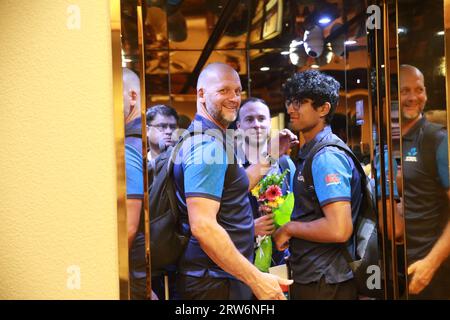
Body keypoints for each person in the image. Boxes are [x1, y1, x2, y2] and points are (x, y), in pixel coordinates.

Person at [173, 62, 297, 300]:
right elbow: (203, 226)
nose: (233, 98)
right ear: (201, 94)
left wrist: (271, 154)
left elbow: (234, 187)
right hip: (214, 283)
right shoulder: (206, 146)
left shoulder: (212, 137)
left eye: (237, 91)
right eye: (223, 91)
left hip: (221, 278)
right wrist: (256, 279)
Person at [273, 70, 362, 300]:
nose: (291, 109)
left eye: (301, 102)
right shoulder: (311, 151)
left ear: (323, 109)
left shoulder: (326, 157)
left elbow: (339, 228)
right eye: (290, 101)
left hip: (326, 279)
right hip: (316, 276)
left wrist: (289, 228)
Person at [399, 65, 450, 299]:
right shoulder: (386, 142)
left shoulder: (437, 140)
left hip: (430, 275)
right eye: (404, 91)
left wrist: (430, 264)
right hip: (395, 272)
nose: (413, 97)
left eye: (419, 90)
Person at [235, 97, 295, 268]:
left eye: (261, 119)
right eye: (249, 119)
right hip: (241, 260)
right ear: (239, 126)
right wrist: (248, 229)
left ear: (270, 123)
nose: (256, 124)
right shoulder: (231, 165)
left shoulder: (285, 163)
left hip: (281, 257)